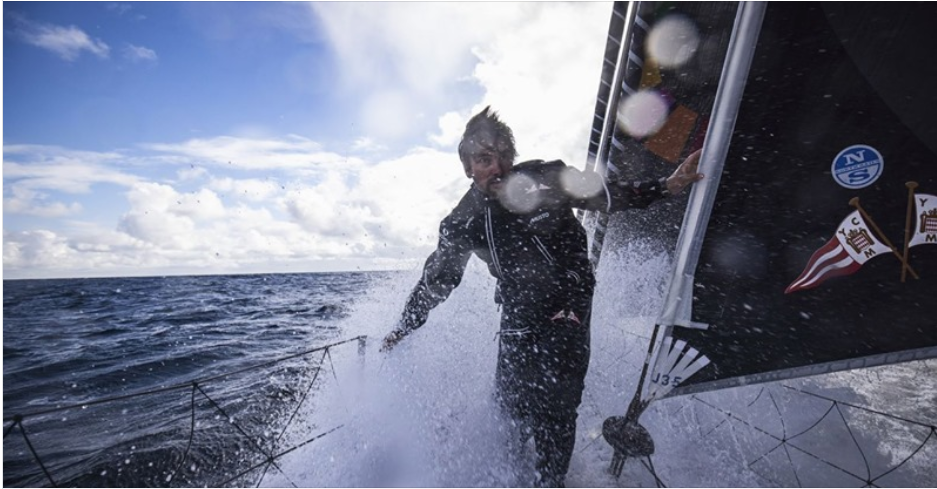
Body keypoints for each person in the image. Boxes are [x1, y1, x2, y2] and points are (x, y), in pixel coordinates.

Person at [381, 106, 703, 487]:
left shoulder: (545, 177)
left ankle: (550, 482)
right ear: (467, 166)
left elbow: (607, 196)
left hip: (568, 310)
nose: (497, 167)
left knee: (556, 411)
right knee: (510, 411)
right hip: (518, 317)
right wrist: (403, 328)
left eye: (503, 156)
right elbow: (438, 280)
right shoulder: (463, 220)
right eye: (484, 159)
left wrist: (666, 186)